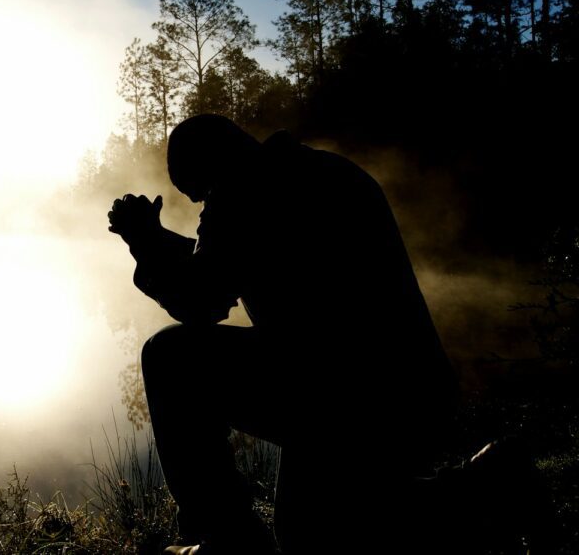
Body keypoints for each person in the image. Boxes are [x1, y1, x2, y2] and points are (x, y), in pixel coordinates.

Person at [107, 114, 459, 555]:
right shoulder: (323, 171)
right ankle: (490, 483)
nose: (203, 208)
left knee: (170, 357)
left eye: (202, 195)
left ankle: (225, 539)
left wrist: (142, 241)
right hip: (408, 393)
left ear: (214, 163)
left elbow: (203, 301)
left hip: (338, 394)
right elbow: (225, 259)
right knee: (310, 532)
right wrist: (158, 238)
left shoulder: (243, 191)